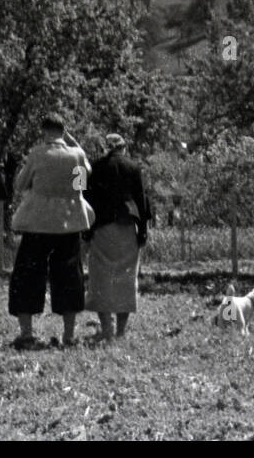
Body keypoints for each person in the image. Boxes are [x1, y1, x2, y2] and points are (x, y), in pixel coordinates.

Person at [8, 113, 94, 349]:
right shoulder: (76, 155)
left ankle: (27, 333)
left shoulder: (38, 154)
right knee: (69, 277)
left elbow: (20, 184)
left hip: (37, 223)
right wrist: (72, 142)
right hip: (68, 223)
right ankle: (68, 335)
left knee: (26, 276)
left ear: (43, 130)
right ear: (63, 130)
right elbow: (81, 186)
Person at [85, 133, 151, 342]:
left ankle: (106, 328)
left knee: (101, 277)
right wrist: (143, 230)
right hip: (126, 227)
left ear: (105, 148)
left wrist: (86, 230)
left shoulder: (94, 168)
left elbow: (86, 198)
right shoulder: (133, 167)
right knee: (126, 277)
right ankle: (121, 331)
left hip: (102, 228)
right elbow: (142, 202)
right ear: (123, 148)